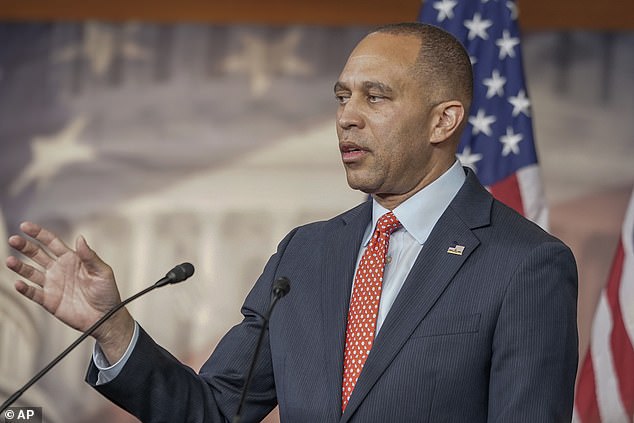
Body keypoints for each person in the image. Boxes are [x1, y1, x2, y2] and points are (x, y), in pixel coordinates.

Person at [6, 23, 578, 422]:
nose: (347, 118)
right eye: (341, 97)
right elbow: (213, 410)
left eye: (376, 97)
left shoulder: (524, 262)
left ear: (443, 120)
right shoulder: (306, 255)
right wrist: (113, 327)